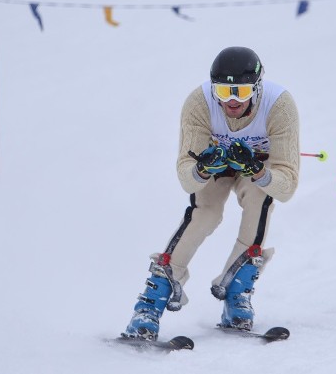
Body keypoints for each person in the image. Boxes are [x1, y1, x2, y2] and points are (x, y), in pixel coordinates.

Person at [122, 46, 301, 340]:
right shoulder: (199, 103)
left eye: (241, 92)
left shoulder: (279, 105)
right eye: (223, 90)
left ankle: (236, 292)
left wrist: (257, 170)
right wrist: (203, 169)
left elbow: (287, 187)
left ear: (257, 88)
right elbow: (187, 181)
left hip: (257, 166)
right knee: (206, 214)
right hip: (215, 165)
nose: (231, 101)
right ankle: (148, 305)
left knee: (260, 201)